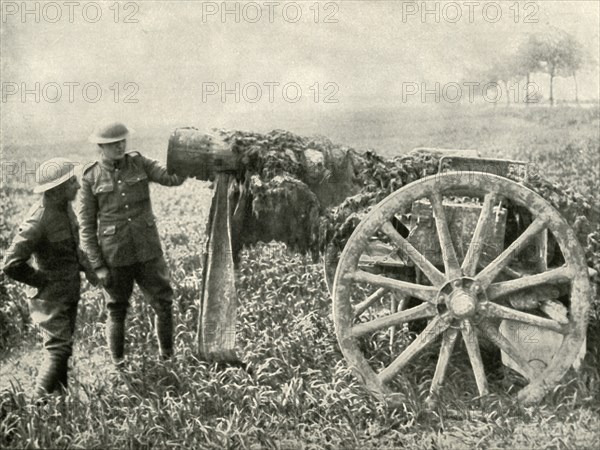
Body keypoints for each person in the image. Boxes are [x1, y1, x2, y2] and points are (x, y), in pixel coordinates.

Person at [79, 121, 185, 367]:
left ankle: (167, 358)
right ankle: (119, 365)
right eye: (113, 143)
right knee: (116, 309)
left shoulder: (139, 162)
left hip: (148, 251)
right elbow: (86, 228)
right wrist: (98, 266)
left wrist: (188, 160)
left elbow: (171, 177)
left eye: (122, 141)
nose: (119, 146)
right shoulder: (91, 177)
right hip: (115, 256)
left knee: (163, 303)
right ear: (100, 147)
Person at [3, 158, 98, 397]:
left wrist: (89, 270)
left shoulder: (64, 208)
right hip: (50, 299)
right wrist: (41, 281)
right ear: (56, 191)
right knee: (57, 349)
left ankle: (59, 403)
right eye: (72, 183)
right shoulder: (38, 221)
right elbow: (11, 264)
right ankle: (35, 405)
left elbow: (74, 247)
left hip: (67, 292)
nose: (77, 186)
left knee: (63, 348)